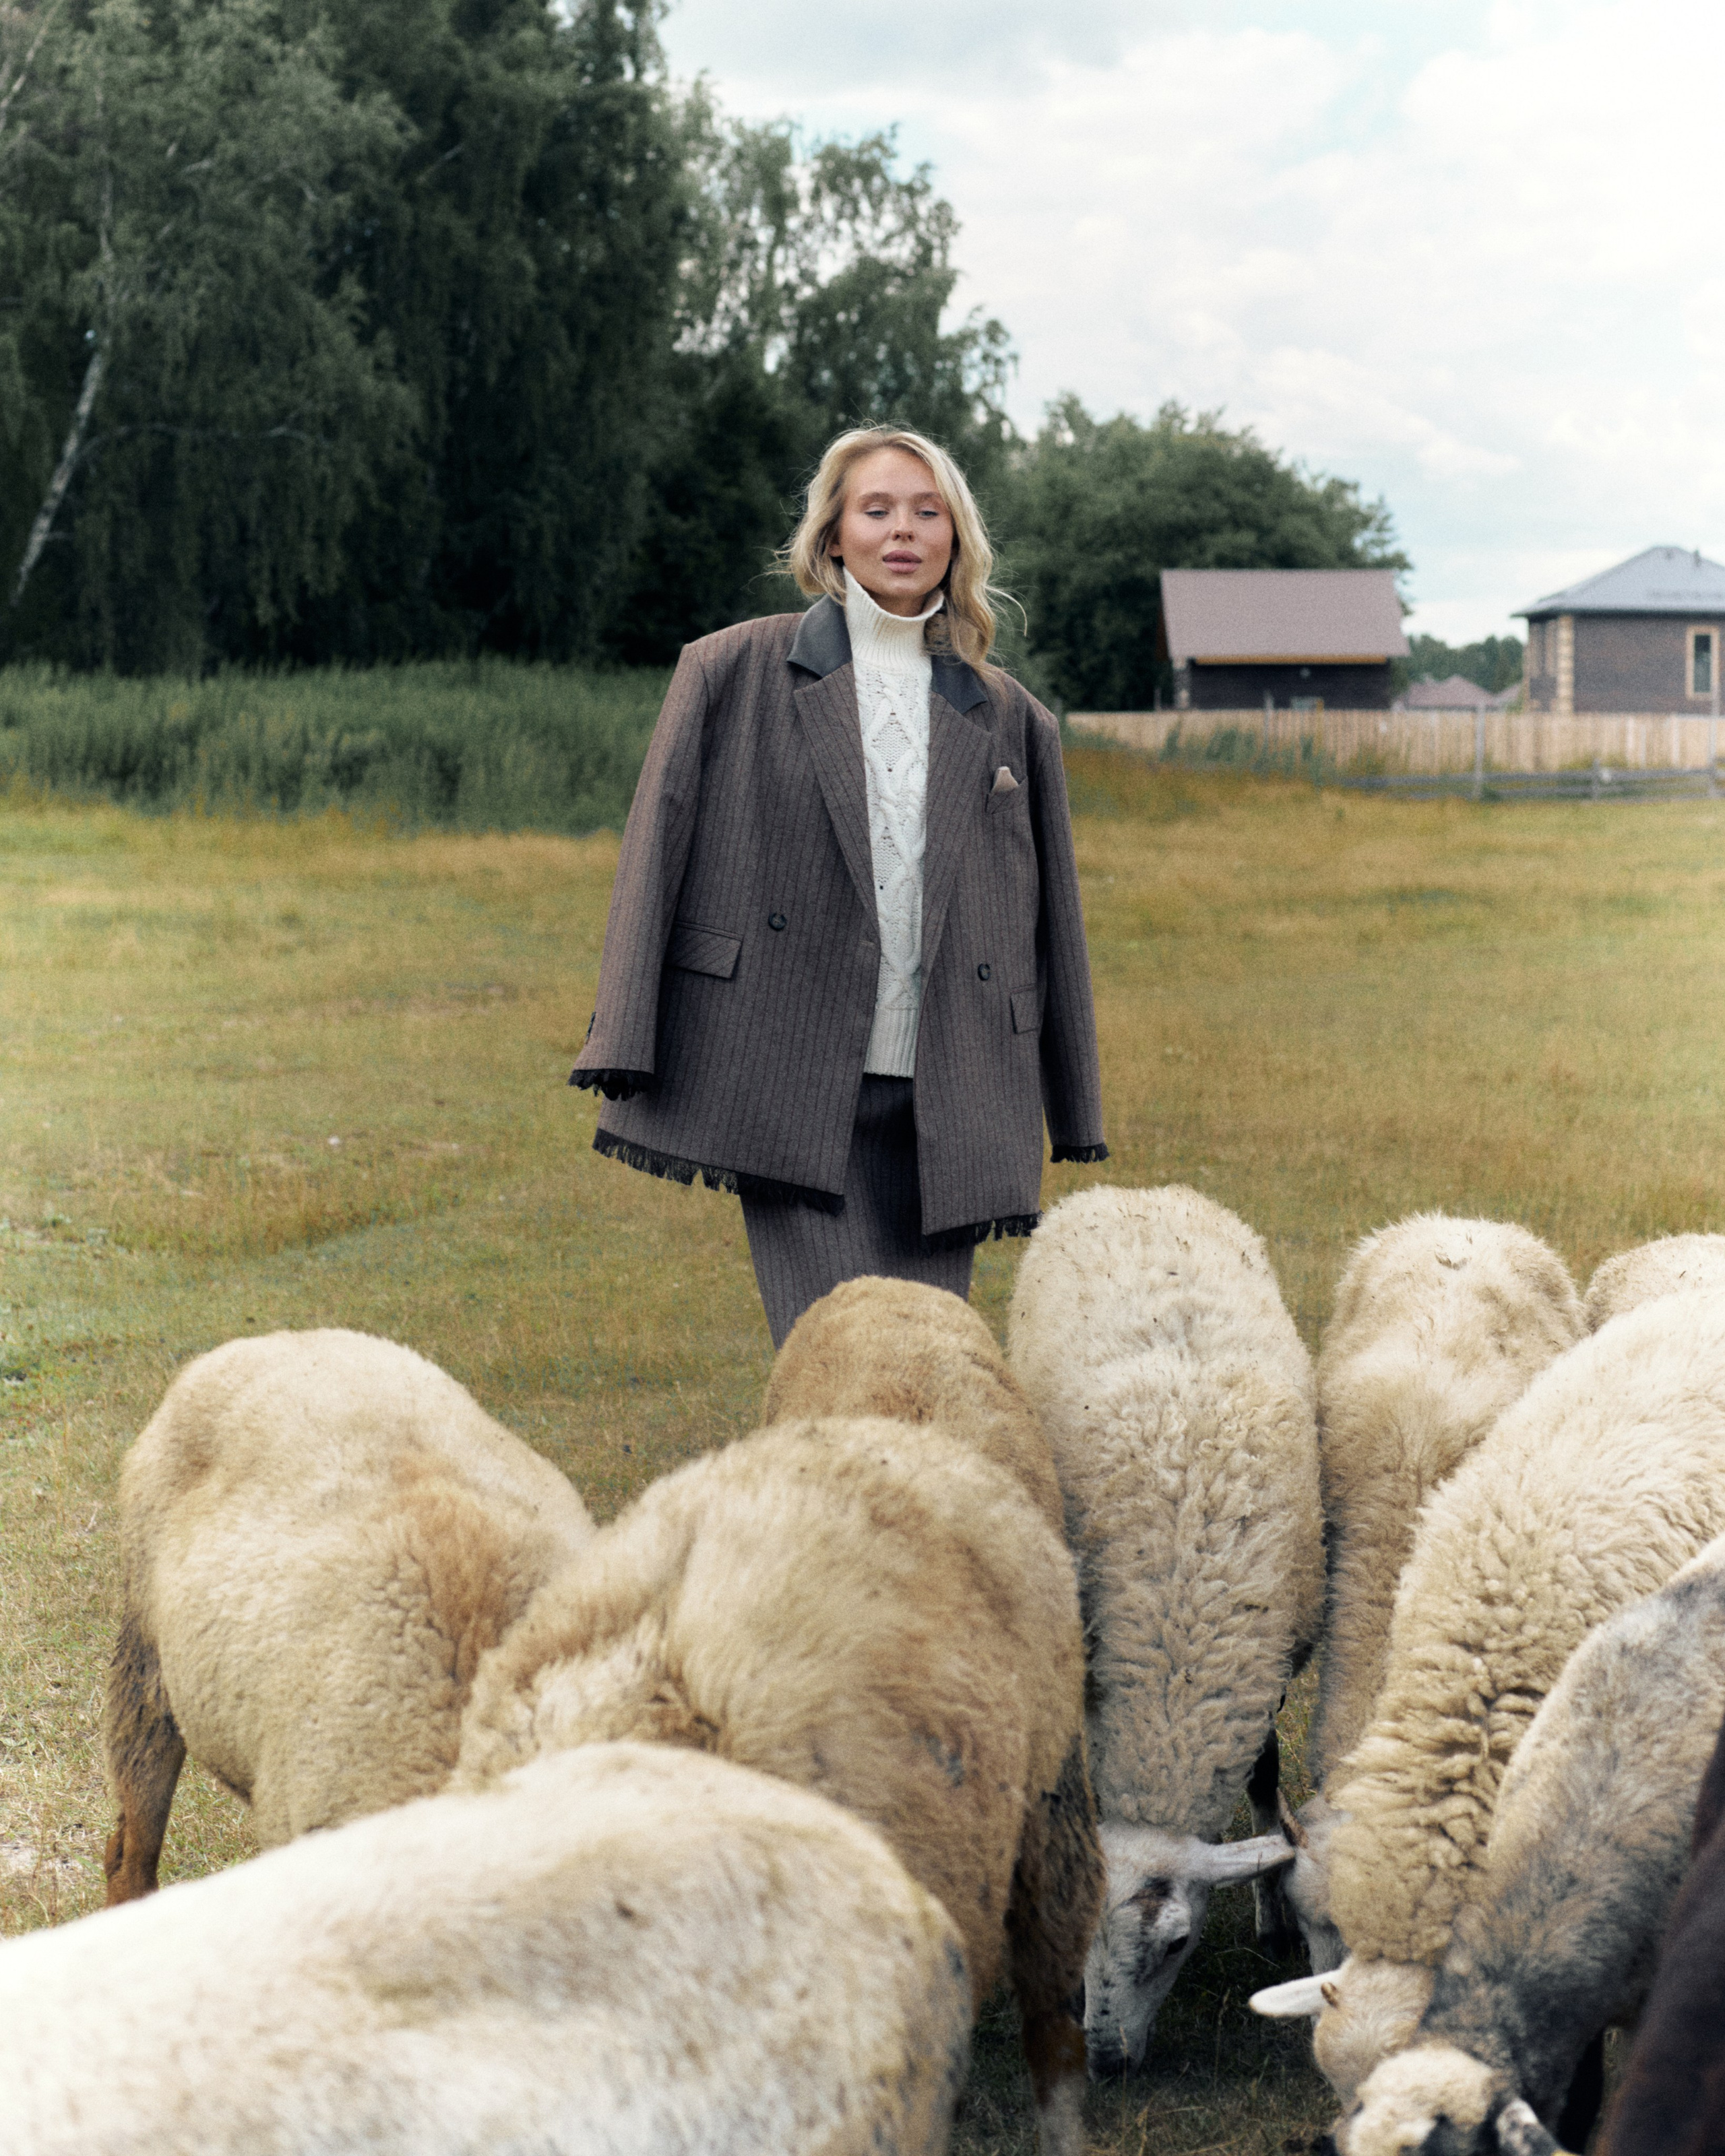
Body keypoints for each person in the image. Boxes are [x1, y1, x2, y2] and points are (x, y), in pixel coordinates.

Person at [571, 424, 1106, 1347]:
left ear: (955, 538)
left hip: (955, 1090)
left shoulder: (1014, 717)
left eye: (927, 511)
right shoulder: (729, 668)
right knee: (834, 1354)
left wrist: (1074, 1101)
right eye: (877, 509)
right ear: (832, 537)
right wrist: (624, 1036)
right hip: (789, 1074)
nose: (904, 530)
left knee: (930, 1366)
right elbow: (652, 858)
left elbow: (1052, 924)